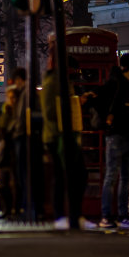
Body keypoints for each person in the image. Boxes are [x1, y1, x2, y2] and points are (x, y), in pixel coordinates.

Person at [98, 51, 129, 230]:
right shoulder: (114, 82)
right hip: (116, 135)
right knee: (111, 176)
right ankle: (106, 215)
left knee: (127, 179)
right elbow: (102, 102)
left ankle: (123, 215)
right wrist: (108, 119)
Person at [39, 48, 85, 228]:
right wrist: (73, 103)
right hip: (58, 136)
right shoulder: (53, 82)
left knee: (73, 176)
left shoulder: (60, 81)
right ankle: (64, 216)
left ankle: (71, 214)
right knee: (68, 176)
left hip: (64, 134)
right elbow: (50, 112)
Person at [0, 71, 28, 219]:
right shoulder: (7, 111)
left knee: (16, 181)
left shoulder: (18, 111)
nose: (12, 100)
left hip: (14, 148)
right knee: (2, 182)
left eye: (14, 98)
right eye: (10, 97)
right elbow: (2, 128)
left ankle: (16, 209)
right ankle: (7, 210)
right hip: (7, 149)